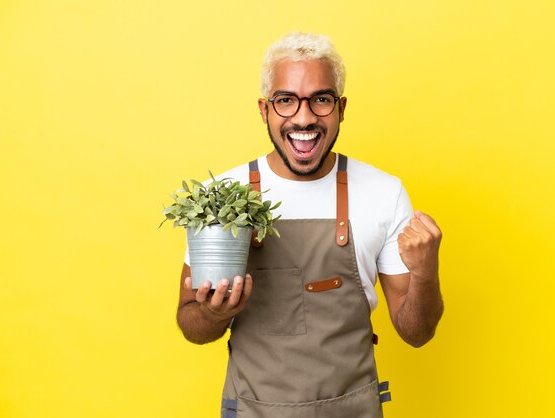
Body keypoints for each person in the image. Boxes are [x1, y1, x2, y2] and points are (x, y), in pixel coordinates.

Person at [176, 32, 444, 418]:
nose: (304, 117)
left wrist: (426, 274)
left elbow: (416, 333)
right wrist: (213, 314)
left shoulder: (385, 193)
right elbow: (190, 323)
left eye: (321, 99)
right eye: (286, 101)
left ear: (341, 108)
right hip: (254, 410)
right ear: (264, 109)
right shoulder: (221, 197)